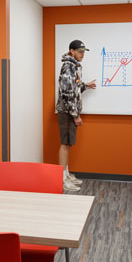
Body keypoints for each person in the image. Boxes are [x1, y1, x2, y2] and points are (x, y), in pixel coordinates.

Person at [56, 40, 97, 192]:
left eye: (84, 52)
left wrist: (86, 85)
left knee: (68, 144)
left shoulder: (74, 66)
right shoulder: (68, 67)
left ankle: (66, 174)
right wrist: (75, 115)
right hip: (67, 112)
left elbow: (75, 87)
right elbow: (67, 93)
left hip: (70, 112)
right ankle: (61, 178)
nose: (82, 54)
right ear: (72, 51)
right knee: (64, 144)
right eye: (80, 51)